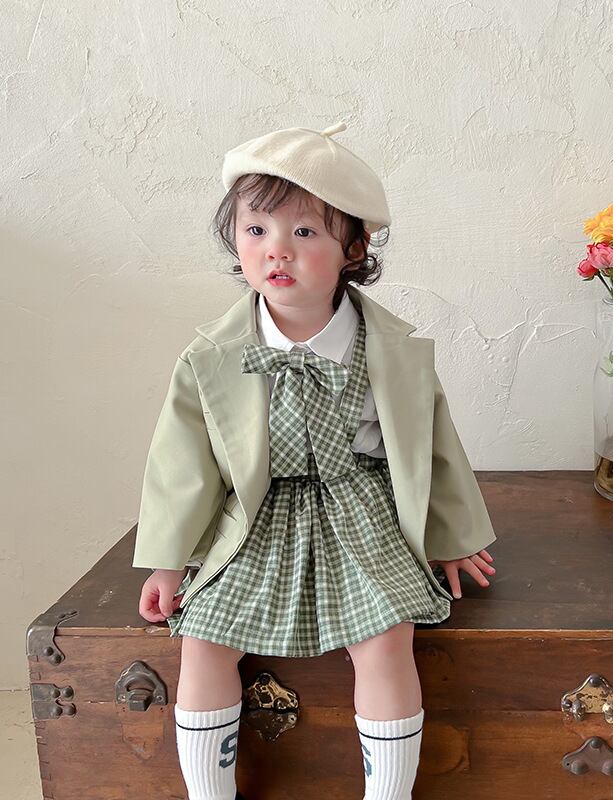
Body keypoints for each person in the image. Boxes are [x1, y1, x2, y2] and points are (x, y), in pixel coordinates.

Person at [132, 122, 497, 800]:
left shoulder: (390, 350)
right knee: (204, 639)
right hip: (256, 517)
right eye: (256, 229)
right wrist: (168, 559)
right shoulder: (212, 356)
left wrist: (453, 534)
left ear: (353, 248)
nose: (277, 250)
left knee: (386, 636)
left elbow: (433, 446)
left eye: (304, 232)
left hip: (360, 509)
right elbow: (184, 463)